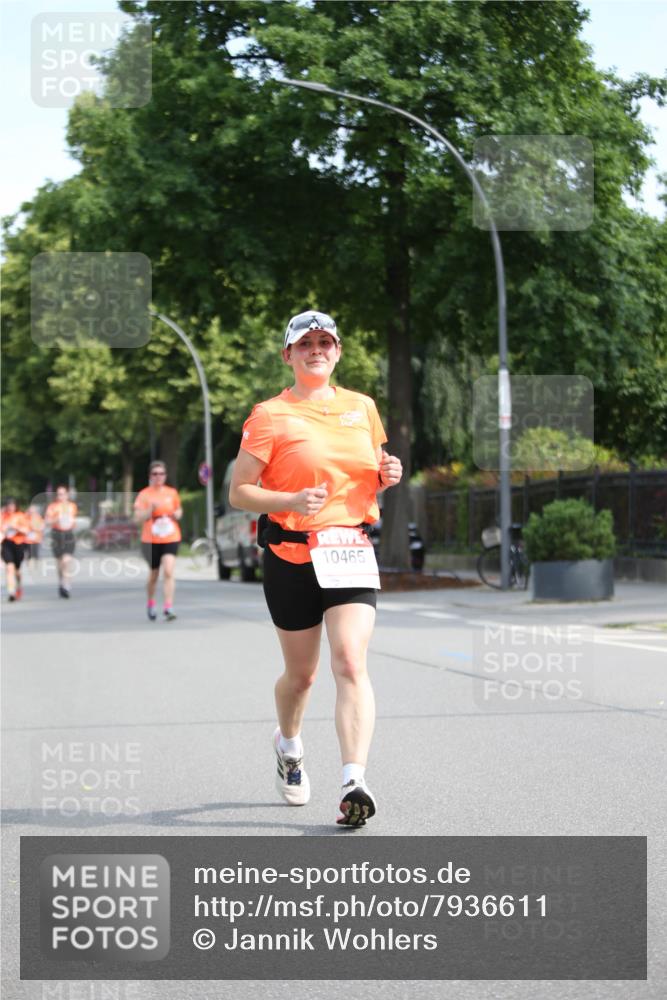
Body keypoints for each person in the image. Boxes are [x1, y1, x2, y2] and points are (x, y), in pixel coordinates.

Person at [230, 310, 402, 827]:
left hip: (348, 549)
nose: (317, 350)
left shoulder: (362, 408)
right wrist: (290, 497)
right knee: (301, 676)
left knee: (350, 662)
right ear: (288, 355)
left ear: (338, 351)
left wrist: (388, 472)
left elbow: (374, 466)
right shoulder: (268, 415)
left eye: (326, 342)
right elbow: (240, 491)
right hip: (290, 554)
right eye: (305, 344)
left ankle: (354, 779)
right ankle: (288, 744)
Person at [134, 460, 182, 622]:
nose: (158, 477)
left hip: (171, 535)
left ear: (165, 475)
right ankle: (151, 602)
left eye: (161, 473)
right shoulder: (144, 494)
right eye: (155, 474)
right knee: (154, 574)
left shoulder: (172, 493)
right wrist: (150, 509)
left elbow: (179, 509)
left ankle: (168, 606)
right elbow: (137, 518)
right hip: (151, 538)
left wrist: (178, 514)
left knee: (168, 570)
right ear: (150, 476)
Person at [45, 485, 78, 598]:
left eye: (63, 493)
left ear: (67, 495)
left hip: (68, 534)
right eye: (59, 494)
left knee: (66, 561)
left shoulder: (72, 506)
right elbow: (47, 522)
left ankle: (66, 585)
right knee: (59, 563)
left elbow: (72, 521)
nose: (61, 496)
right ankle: (61, 582)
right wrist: (56, 519)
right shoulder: (52, 507)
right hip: (56, 534)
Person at [1, 498, 29, 601]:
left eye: (12, 505)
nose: (10, 508)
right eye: (8, 505)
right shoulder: (3, 516)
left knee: (17, 570)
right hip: (7, 544)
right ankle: (11, 592)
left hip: (18, 544)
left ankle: (18, 585)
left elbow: (26, 531)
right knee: (9, 568)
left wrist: (16, 527)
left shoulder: (20, 516)